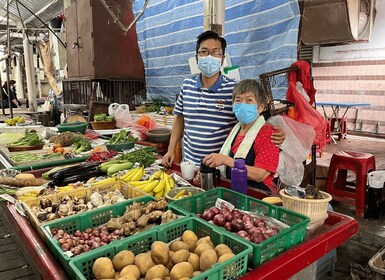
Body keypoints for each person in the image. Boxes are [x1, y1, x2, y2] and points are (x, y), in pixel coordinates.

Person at [162, 30, 285, 167]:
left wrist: (274, 132)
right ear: (197, 58)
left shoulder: (234, 89)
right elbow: (180, 119)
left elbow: (251, 118)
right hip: (189, 164)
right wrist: (171, 149)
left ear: (222, 58)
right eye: (204, 51)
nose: (209, 56)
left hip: (220, 167)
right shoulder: (187, 85)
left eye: (215, 52)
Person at [202, 79, 280, 194]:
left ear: (260, 107)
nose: (243, 105)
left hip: (255, 196)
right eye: (238, 100)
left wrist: (226, 160)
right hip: (231, 192)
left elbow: (259, 175)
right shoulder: (234, 130)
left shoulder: (269, 134)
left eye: (249, 101)